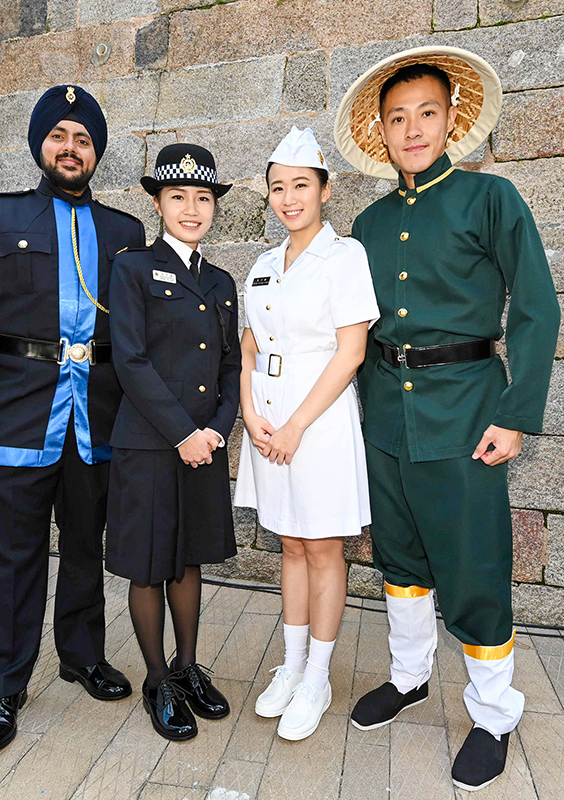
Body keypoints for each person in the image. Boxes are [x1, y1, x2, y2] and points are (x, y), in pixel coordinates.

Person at [333, 47, 561, 790]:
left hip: (466, 414)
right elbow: (350, 327)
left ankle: (495, 713)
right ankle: (409, 678)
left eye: (426, 113)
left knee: (475, 565)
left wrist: (516, 413)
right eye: (397, 118)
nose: (413, 129)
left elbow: (535, 307)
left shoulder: (491, 199)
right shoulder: (365, 222)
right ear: (382, 132)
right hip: (385, 419)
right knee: (399, 557)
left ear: (452, 120)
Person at [0, 85, 145, 755]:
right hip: (12, 419)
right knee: (11, 558)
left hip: (97, 421)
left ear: (96, 153)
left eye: (82, 139)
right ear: (40, 146)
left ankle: (81, 656)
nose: (70, 148)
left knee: (87, 546)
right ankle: (3, 686)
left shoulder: (125, 232)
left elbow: (138, 337)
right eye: (58, 135)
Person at [234, 127, 379, 741]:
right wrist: (249, 413)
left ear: (324, 189)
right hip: (268, 422)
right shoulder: (264, 265)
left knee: (323, 549)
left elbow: (350, 353)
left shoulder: (344, 257)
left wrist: (294, 425)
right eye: (277, 188)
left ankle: (318, 676)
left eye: (300, 185)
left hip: (317, 424)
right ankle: (291, 666)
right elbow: (247, 350)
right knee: (290, 545)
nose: (288, 198)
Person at [106, 144, 242, 742]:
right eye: (179, 197)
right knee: (149, 562)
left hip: (204, 444)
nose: (192, 208)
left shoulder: (220, 280)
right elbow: (130, 362)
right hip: (149, 442)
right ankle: (157, 679)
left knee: (188, 556)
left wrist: (217, 427)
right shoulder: (132, 268)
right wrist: (184, 432)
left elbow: (233, 365)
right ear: (157, 202)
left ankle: (188, 668)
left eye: (203, 198)